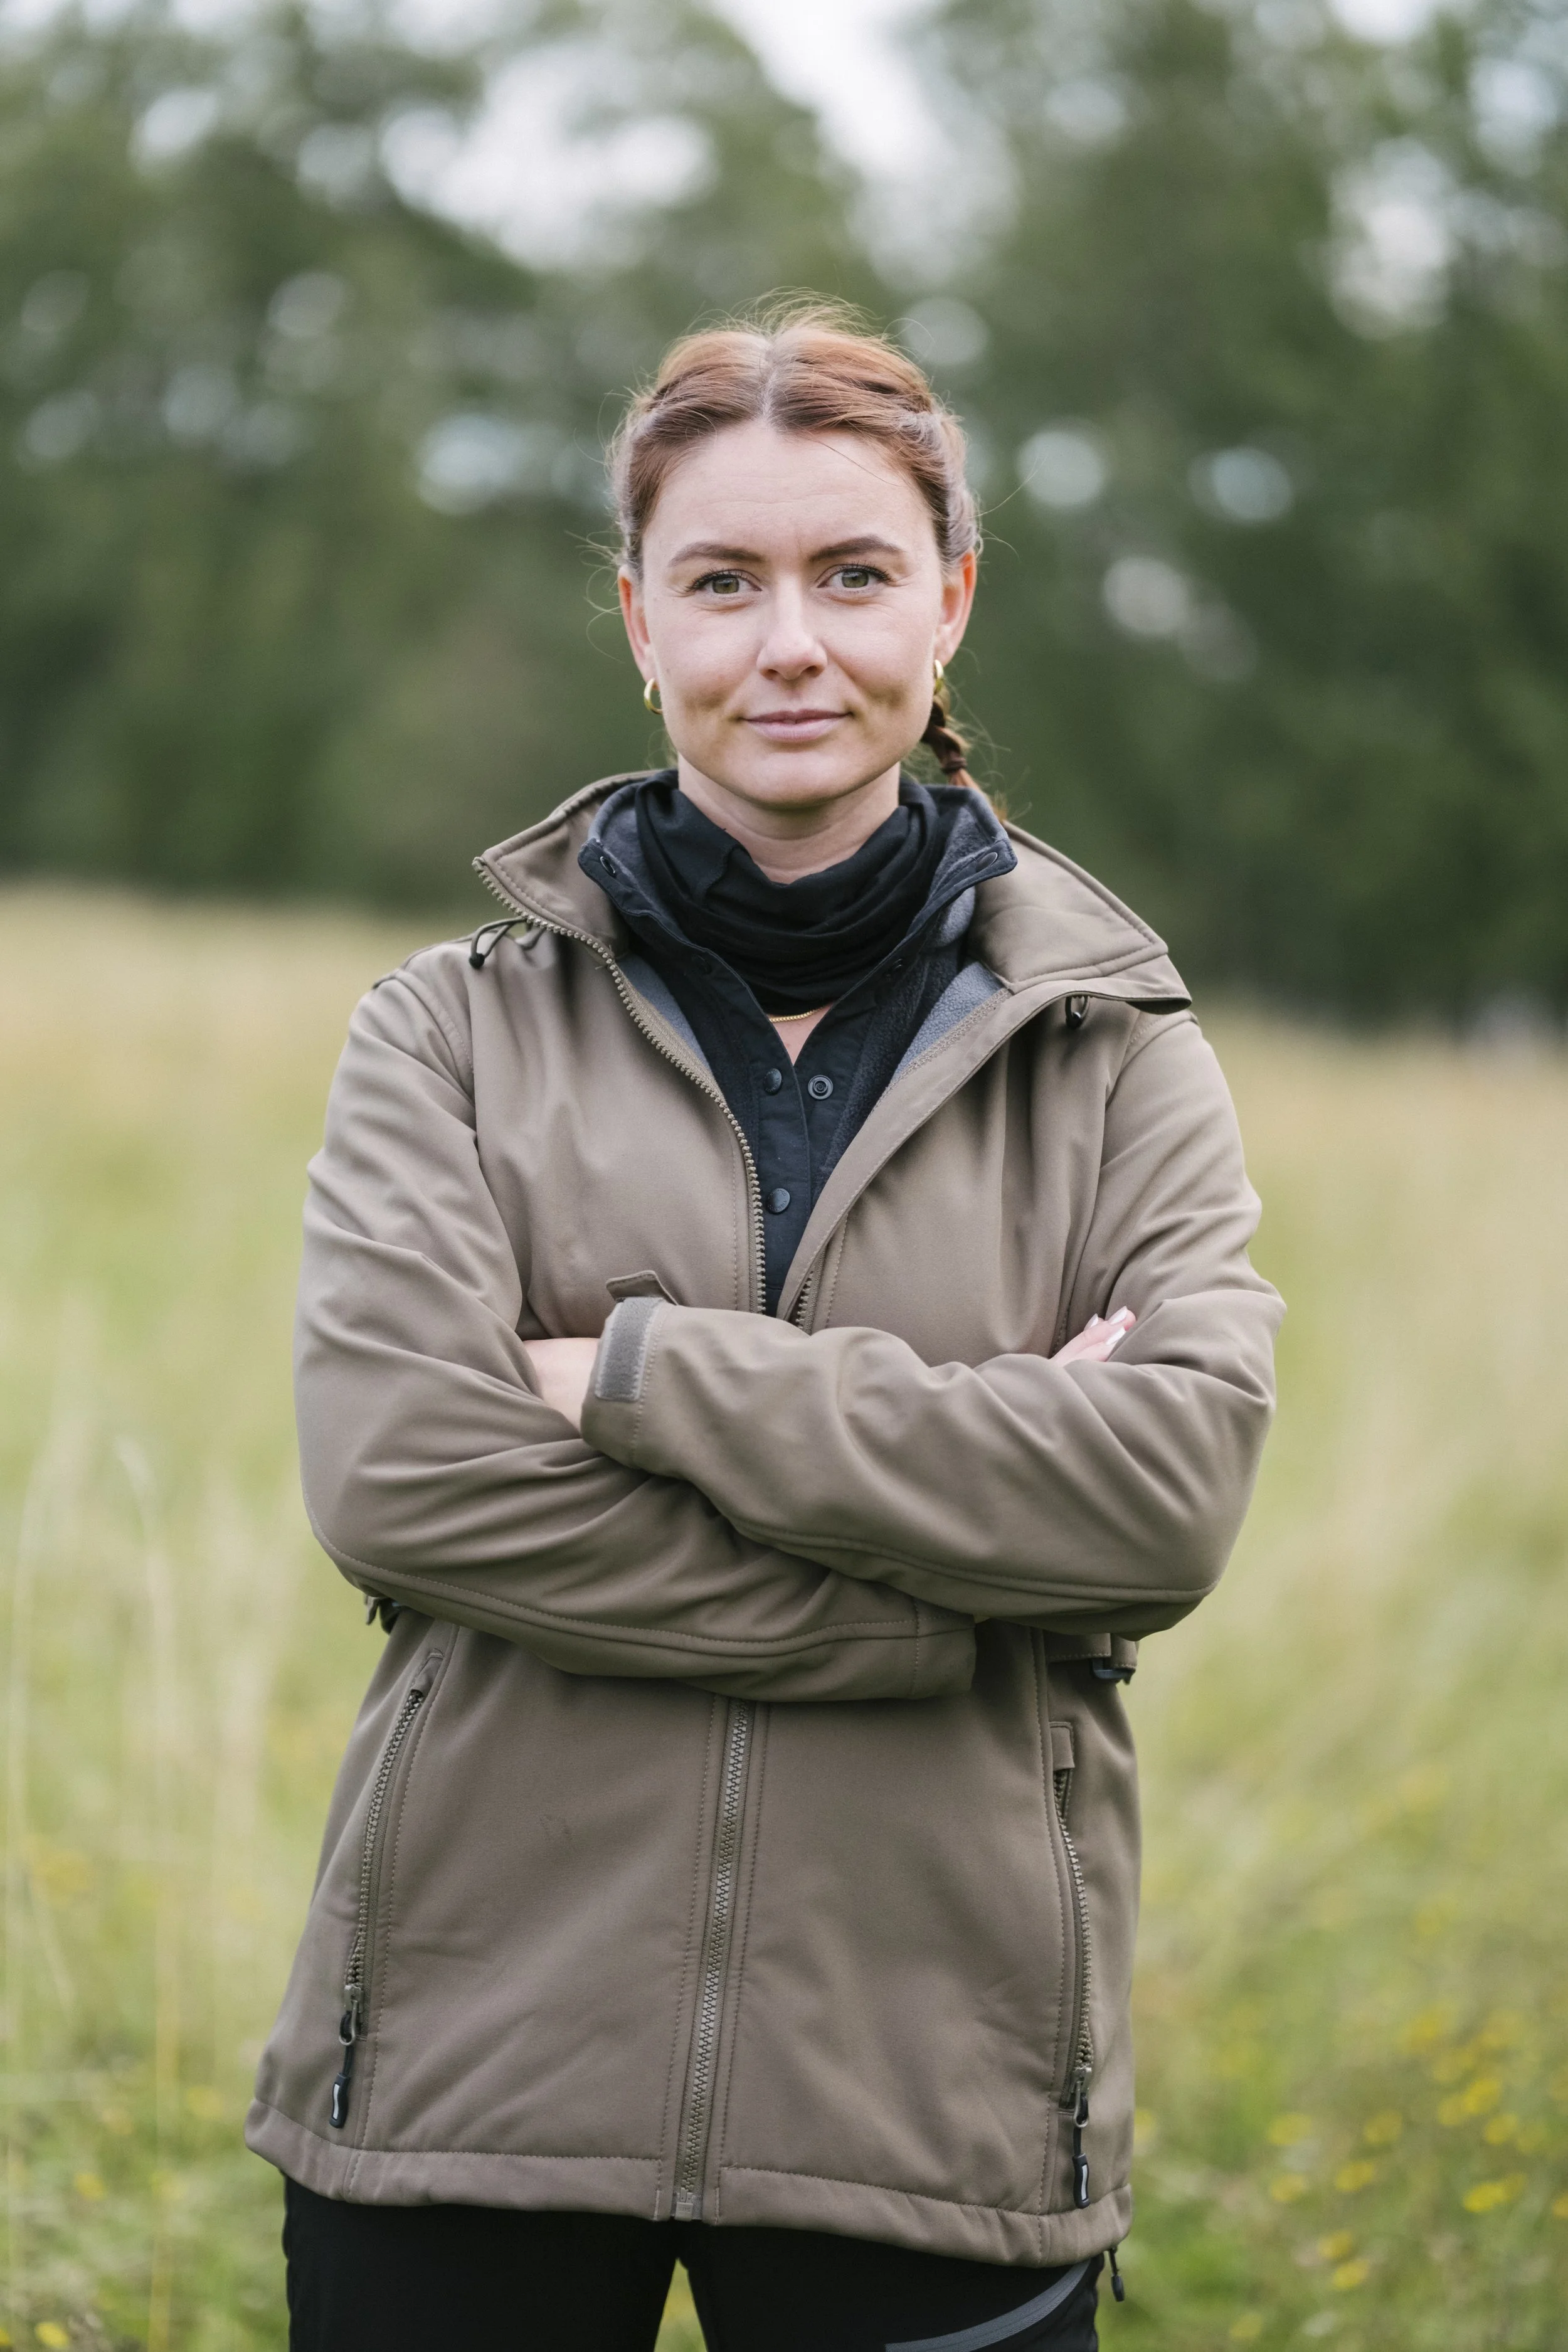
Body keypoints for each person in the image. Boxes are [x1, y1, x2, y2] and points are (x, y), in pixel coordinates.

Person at [248, 304, 1283, 2351]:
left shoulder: (1114, 1050)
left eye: (853, 572)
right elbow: (411, 1482)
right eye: (721, 580)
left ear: (951, 599)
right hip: (473, 2074)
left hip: (934, 2092)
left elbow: (1163, 1496)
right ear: (639, 620)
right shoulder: (447, 1032)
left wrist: (641, 1378)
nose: (787, 641)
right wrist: (945, 1601)